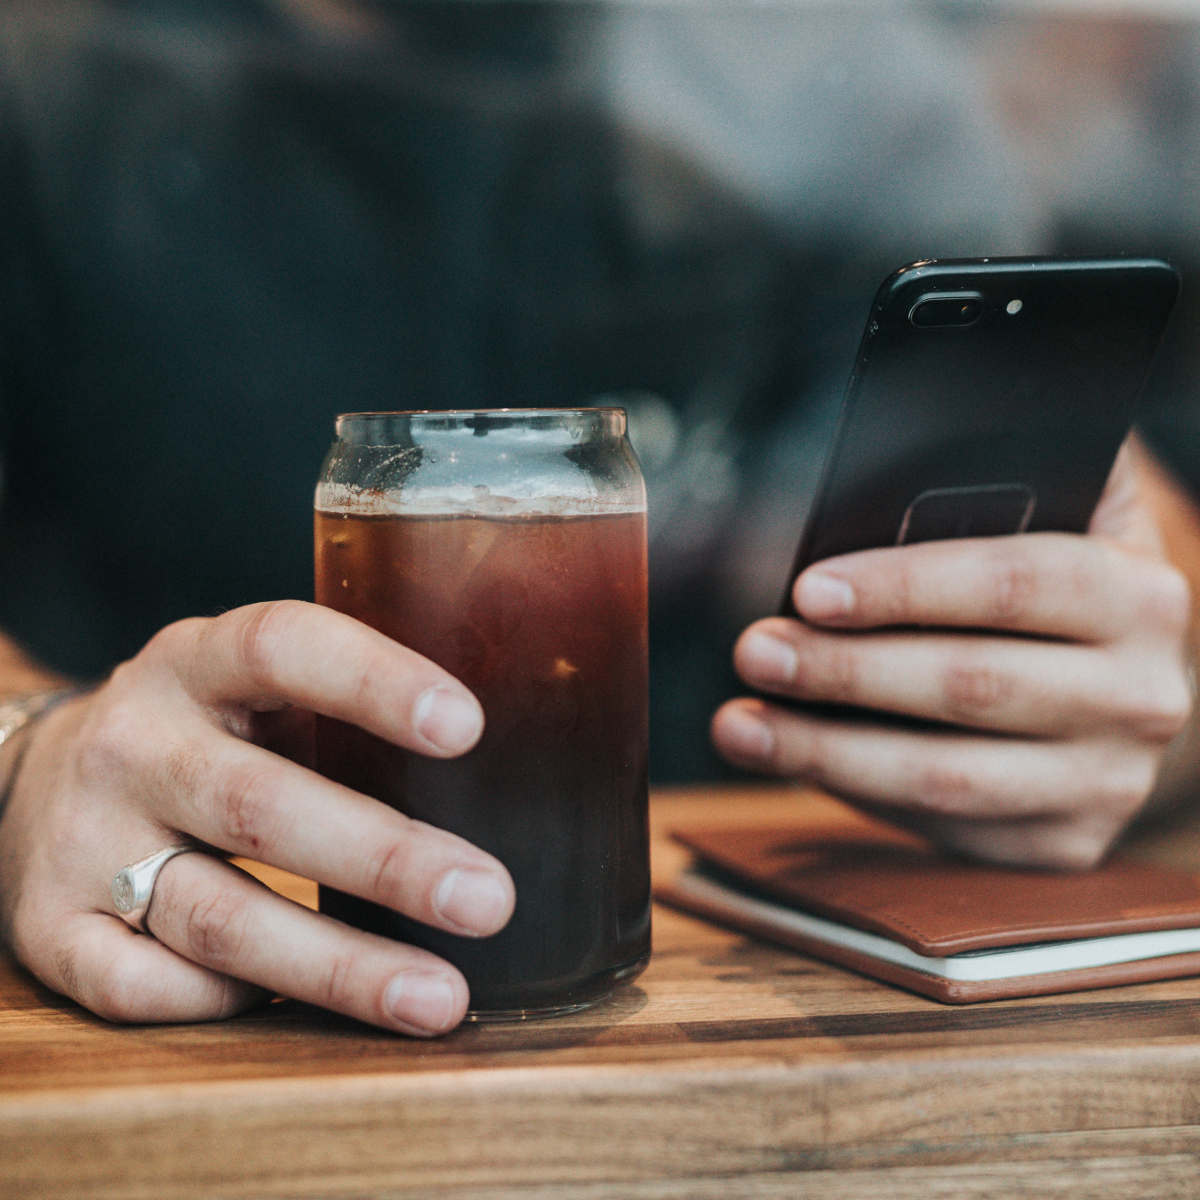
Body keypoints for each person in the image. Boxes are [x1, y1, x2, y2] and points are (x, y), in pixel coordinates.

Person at [0, 0, 1196, 1036]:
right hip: (250, 1032)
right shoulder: (51, 80)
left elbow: (1118, 518)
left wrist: (1134, 694)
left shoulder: (806, 82)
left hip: (768, 1009)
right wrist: (24, 759)